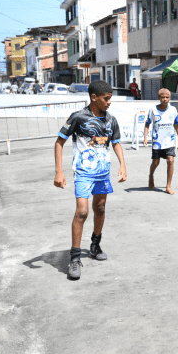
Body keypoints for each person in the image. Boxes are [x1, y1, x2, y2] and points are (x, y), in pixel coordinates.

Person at [54, 80, 127, 280]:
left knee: (101, 208)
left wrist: (122, 164)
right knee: (82, 212)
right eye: (107, 98)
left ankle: (95, 245)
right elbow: (59, 142)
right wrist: (59, 171)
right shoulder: (78, 117)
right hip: (83, 173)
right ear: (94, 97)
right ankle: (75, 258)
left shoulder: (111, 120)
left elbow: (116, 143)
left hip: (102, 173)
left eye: (110, 98)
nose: (109, 102)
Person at [144, 88, 178, 194]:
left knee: (170, 160)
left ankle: (168, 186)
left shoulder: (173, 110)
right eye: (163, 97)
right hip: (157, 141)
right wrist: (145, 138)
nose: (165, 99)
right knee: (156, 162)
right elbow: (147, 124)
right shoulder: (153, 110)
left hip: (169, 141)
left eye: (167, 97)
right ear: (159, 98)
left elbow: (177, 125)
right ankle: (151, 176)